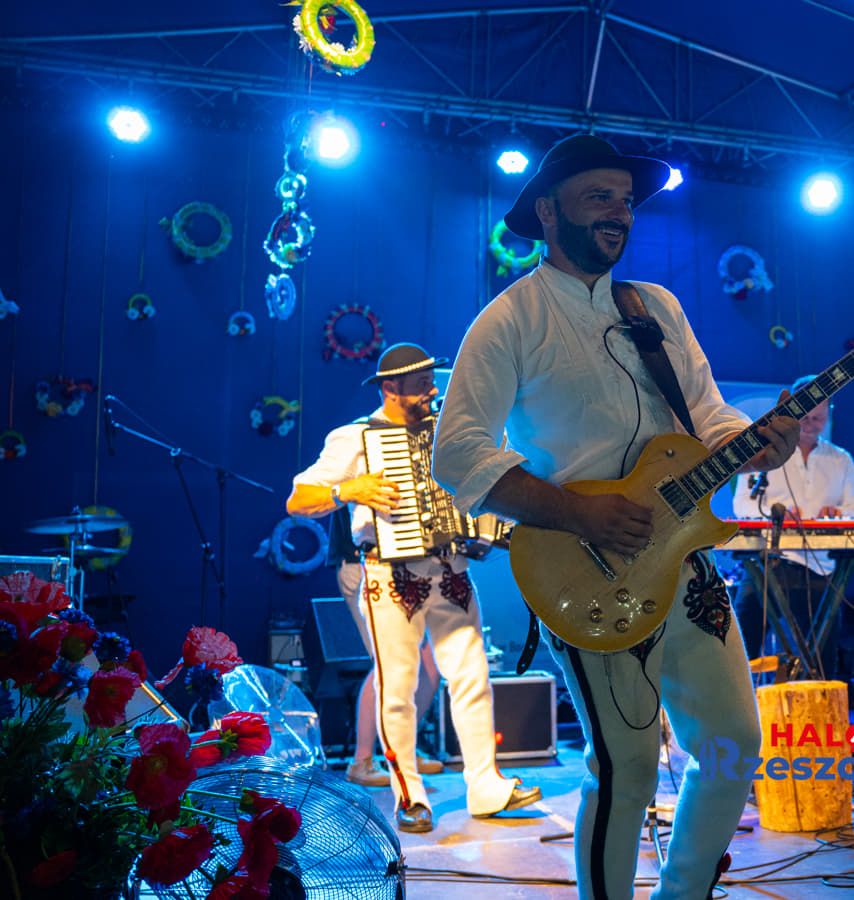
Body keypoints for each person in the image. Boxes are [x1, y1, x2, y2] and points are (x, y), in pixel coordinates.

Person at [432, 134, 798, 900]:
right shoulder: (509, 319)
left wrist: (753, 443)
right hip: (587, 573)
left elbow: (709, 416)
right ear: (547, 210)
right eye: (599, 196)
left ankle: (684, 892)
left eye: (626, 201)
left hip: (687, 558)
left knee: (734, 745)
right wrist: (578, 513)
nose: (619, 213)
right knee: (625, 767)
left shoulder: (654, 307)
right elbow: (458, 454)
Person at [287, 343, 538, 834]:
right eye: (421, 383)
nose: (432, 390)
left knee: (472, 678)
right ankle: (410, 795)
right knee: (397, 686)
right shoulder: (355, 438)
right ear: (390, 388)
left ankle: (485, 784)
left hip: (453, 569)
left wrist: (488, 523)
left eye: (430, 380)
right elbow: (298, 499)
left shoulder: (451, 434)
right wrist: (347, 490)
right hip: (390, 576)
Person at [731, 375, 854, 677]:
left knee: (823, 660)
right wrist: (776, 516)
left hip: (819, 568)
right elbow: (742, 506)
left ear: (829, 415)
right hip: (767, 563)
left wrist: (839, 515)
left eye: (818, 417)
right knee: (740, 653)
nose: (811, 423)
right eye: (805, 415)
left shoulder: (841, 459)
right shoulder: (763, 454)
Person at [326, 503, 444, 788]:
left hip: (403, 566)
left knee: (430, 663)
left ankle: (403, 750)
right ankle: (361, 762)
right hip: (364, 563)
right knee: (388, 663)